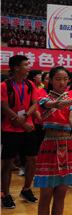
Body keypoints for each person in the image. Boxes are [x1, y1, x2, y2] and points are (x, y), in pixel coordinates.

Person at [34, 66, 72, 215]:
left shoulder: (71, 100)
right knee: (46, 195)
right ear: (50, 80)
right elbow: (55, 105)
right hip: (50, 145)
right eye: (58, 79)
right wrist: (70, 101)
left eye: (65, 79)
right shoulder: (44, 99)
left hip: (67, 145)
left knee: (61, 193)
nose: (62, 82)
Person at [1, 55, 39, 209]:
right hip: (10, 129)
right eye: (25, 64)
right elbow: (4, 107)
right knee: (8, 164)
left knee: (32, 161)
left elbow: (34, 104)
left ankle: (26, 189)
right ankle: (6, 194)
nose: (28, 67)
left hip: (28, 127)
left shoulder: (30, 85)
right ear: (16, 68)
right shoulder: (4, 85)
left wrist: (25, 117)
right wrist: (18, 119)